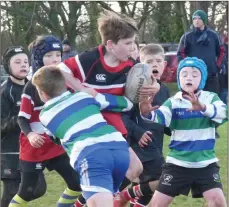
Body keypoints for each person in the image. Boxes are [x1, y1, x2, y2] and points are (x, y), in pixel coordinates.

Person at [58, 10, 161, 207]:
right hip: (87, 122)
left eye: (134, 43)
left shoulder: (131, 66)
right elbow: (60, 71)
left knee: (134, 169)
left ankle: (89, 202)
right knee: (106, 173)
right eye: (128, 43)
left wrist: (154, 86)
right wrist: (81, 89)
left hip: (112, 120)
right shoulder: (89, 59)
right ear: (110, 45)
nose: (133, 49)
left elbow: (139, 92)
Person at [31, 65, 133, 207]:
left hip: (91, 155)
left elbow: (55, 138)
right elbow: (125, 104)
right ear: (65, 85)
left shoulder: (45, 115)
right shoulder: (84, 96)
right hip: (119, 148)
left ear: (42, 93)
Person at [139, 57, 228, 207]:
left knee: (219, 202)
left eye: (194, 75)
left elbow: (224, 113)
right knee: (156, 204)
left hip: (205, 164)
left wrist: (203, 108)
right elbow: (160, 117)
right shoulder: (174, 101)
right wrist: (146, 112)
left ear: (202, 79)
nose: (189, 78)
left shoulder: (211, 98)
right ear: (179, 78)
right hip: (178, 164)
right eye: (184, 74)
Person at [9, 35, 81, 207]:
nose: (55, 59)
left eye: (58, 54)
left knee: (77, 185)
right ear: (38, 58)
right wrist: (31, 135)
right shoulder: (32, 86)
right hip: (33, 147)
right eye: (49, 55)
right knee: (26, 193)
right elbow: (22, 118)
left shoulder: (65, 81)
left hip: (55, 146)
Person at [120, 44, 171, 207]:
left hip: (156, 144)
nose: (154, 64)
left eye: (158, 61)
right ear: (139, 66)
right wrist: (138, 132)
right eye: (149, 62)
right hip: (140, 146)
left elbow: (166, 120)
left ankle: (125, 196)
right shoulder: (133, 90)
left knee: (146, 194)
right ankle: (123, 195)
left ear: (164, 64)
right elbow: (122, 117)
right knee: (167, 180)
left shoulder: (164, 91)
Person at [1, 46, 45, 207]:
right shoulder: (5, 91)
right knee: (11, 191)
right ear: (7, 66)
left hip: (32, 148)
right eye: (17, 62)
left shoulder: (36, 86)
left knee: (39, 188)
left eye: (26, 61)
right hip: (10, 151)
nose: (23, 65)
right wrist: (22, 118)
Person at [177, 9, 225, 95]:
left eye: (199, 18)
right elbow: (180, 54)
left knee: (211, 101)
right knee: (194, 102)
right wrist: (188, 66)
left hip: (211, 75)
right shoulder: (187, 36)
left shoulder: (213, 35)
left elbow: (222, 51)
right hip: (194, 76)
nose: (196, 21)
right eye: (194, 19)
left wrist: (218, 65)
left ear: (204, 20)